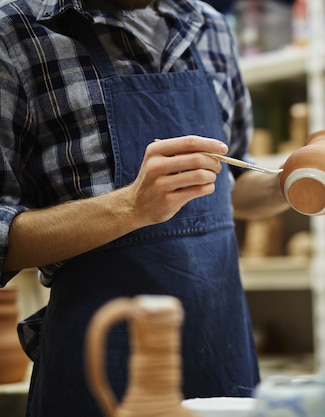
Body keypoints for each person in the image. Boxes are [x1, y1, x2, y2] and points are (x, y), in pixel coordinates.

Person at [0, 0, 290, 415]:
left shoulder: (210, 26)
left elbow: (227, 185)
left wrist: (283, 187)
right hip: (104, 366)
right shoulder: (15, 34)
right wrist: (130, 207)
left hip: (222, 352)